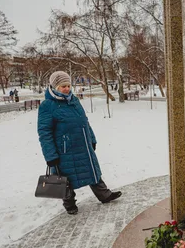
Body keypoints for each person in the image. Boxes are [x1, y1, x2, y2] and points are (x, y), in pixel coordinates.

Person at [37, 71, 122, 215]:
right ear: (54, 86)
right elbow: (44, 132)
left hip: (83, 146)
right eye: (63, 86)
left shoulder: (74, 100)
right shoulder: (48, 105)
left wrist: (92, 139)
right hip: (64, 150)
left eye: (68, 85)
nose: (67, 89)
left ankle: (104, 194)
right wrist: (50, 156)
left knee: (91, 170)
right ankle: (69, 203)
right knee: (64, 178)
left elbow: (85, 122)